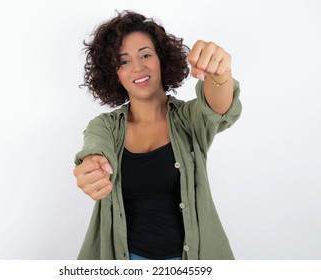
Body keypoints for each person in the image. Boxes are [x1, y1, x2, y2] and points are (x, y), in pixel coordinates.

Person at [73, 10, 242, 260]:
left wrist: (220, 73)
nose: (137, 67)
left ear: (161, 59)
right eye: (124, 61)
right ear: (114, 74)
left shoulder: (188, 120)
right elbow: (95, 148)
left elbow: (218, 107)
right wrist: (91, 167)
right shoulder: (106, 125)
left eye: (146, 55)